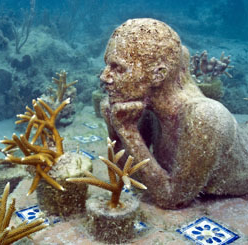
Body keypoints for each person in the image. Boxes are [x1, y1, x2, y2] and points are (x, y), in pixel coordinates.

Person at [100, 18, 248, 209]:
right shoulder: (147, 100)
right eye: (107, 65)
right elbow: (131, 172)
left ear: (158, 75)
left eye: (117, 68)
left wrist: (127, 130)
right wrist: (114, 126)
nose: (104, 76)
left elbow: (172, 198)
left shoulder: (204, 117)